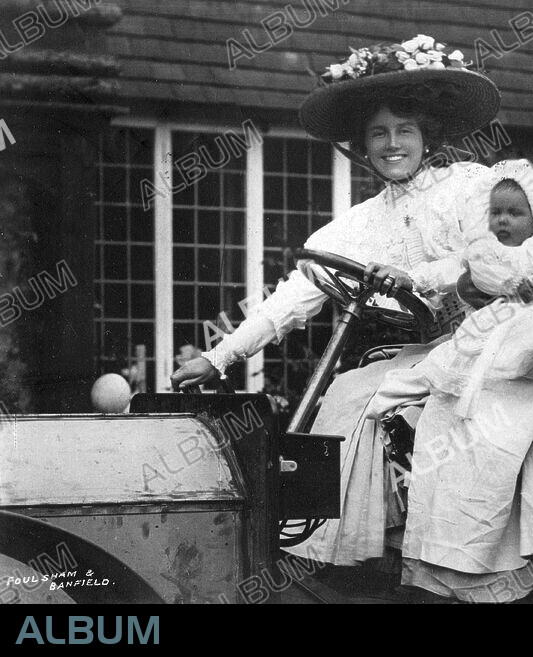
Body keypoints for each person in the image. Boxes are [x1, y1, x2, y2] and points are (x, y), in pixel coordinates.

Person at [168, 36, 501, 565]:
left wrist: (415, 279)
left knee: (376, 397)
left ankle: (435, 549)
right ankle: (339, 556)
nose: (393, 144)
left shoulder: (469, 187)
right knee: (345, 393)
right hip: (430, 348)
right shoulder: (360, 223)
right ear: (362, 145)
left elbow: (493, 263)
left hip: (491, 339)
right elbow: (292, 297)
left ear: (426, 136)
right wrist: (220, 356)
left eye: (405, 131)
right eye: (378, 134)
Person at [364, 159, 533, 602]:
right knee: (438, 382)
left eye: (514, 213)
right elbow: (444, 270)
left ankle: (484, 554)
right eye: (495, 212)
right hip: (485, 336)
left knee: (495, 417)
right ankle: (429, 525)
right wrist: (415, 277)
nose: (502, 221)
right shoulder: (479, 251)